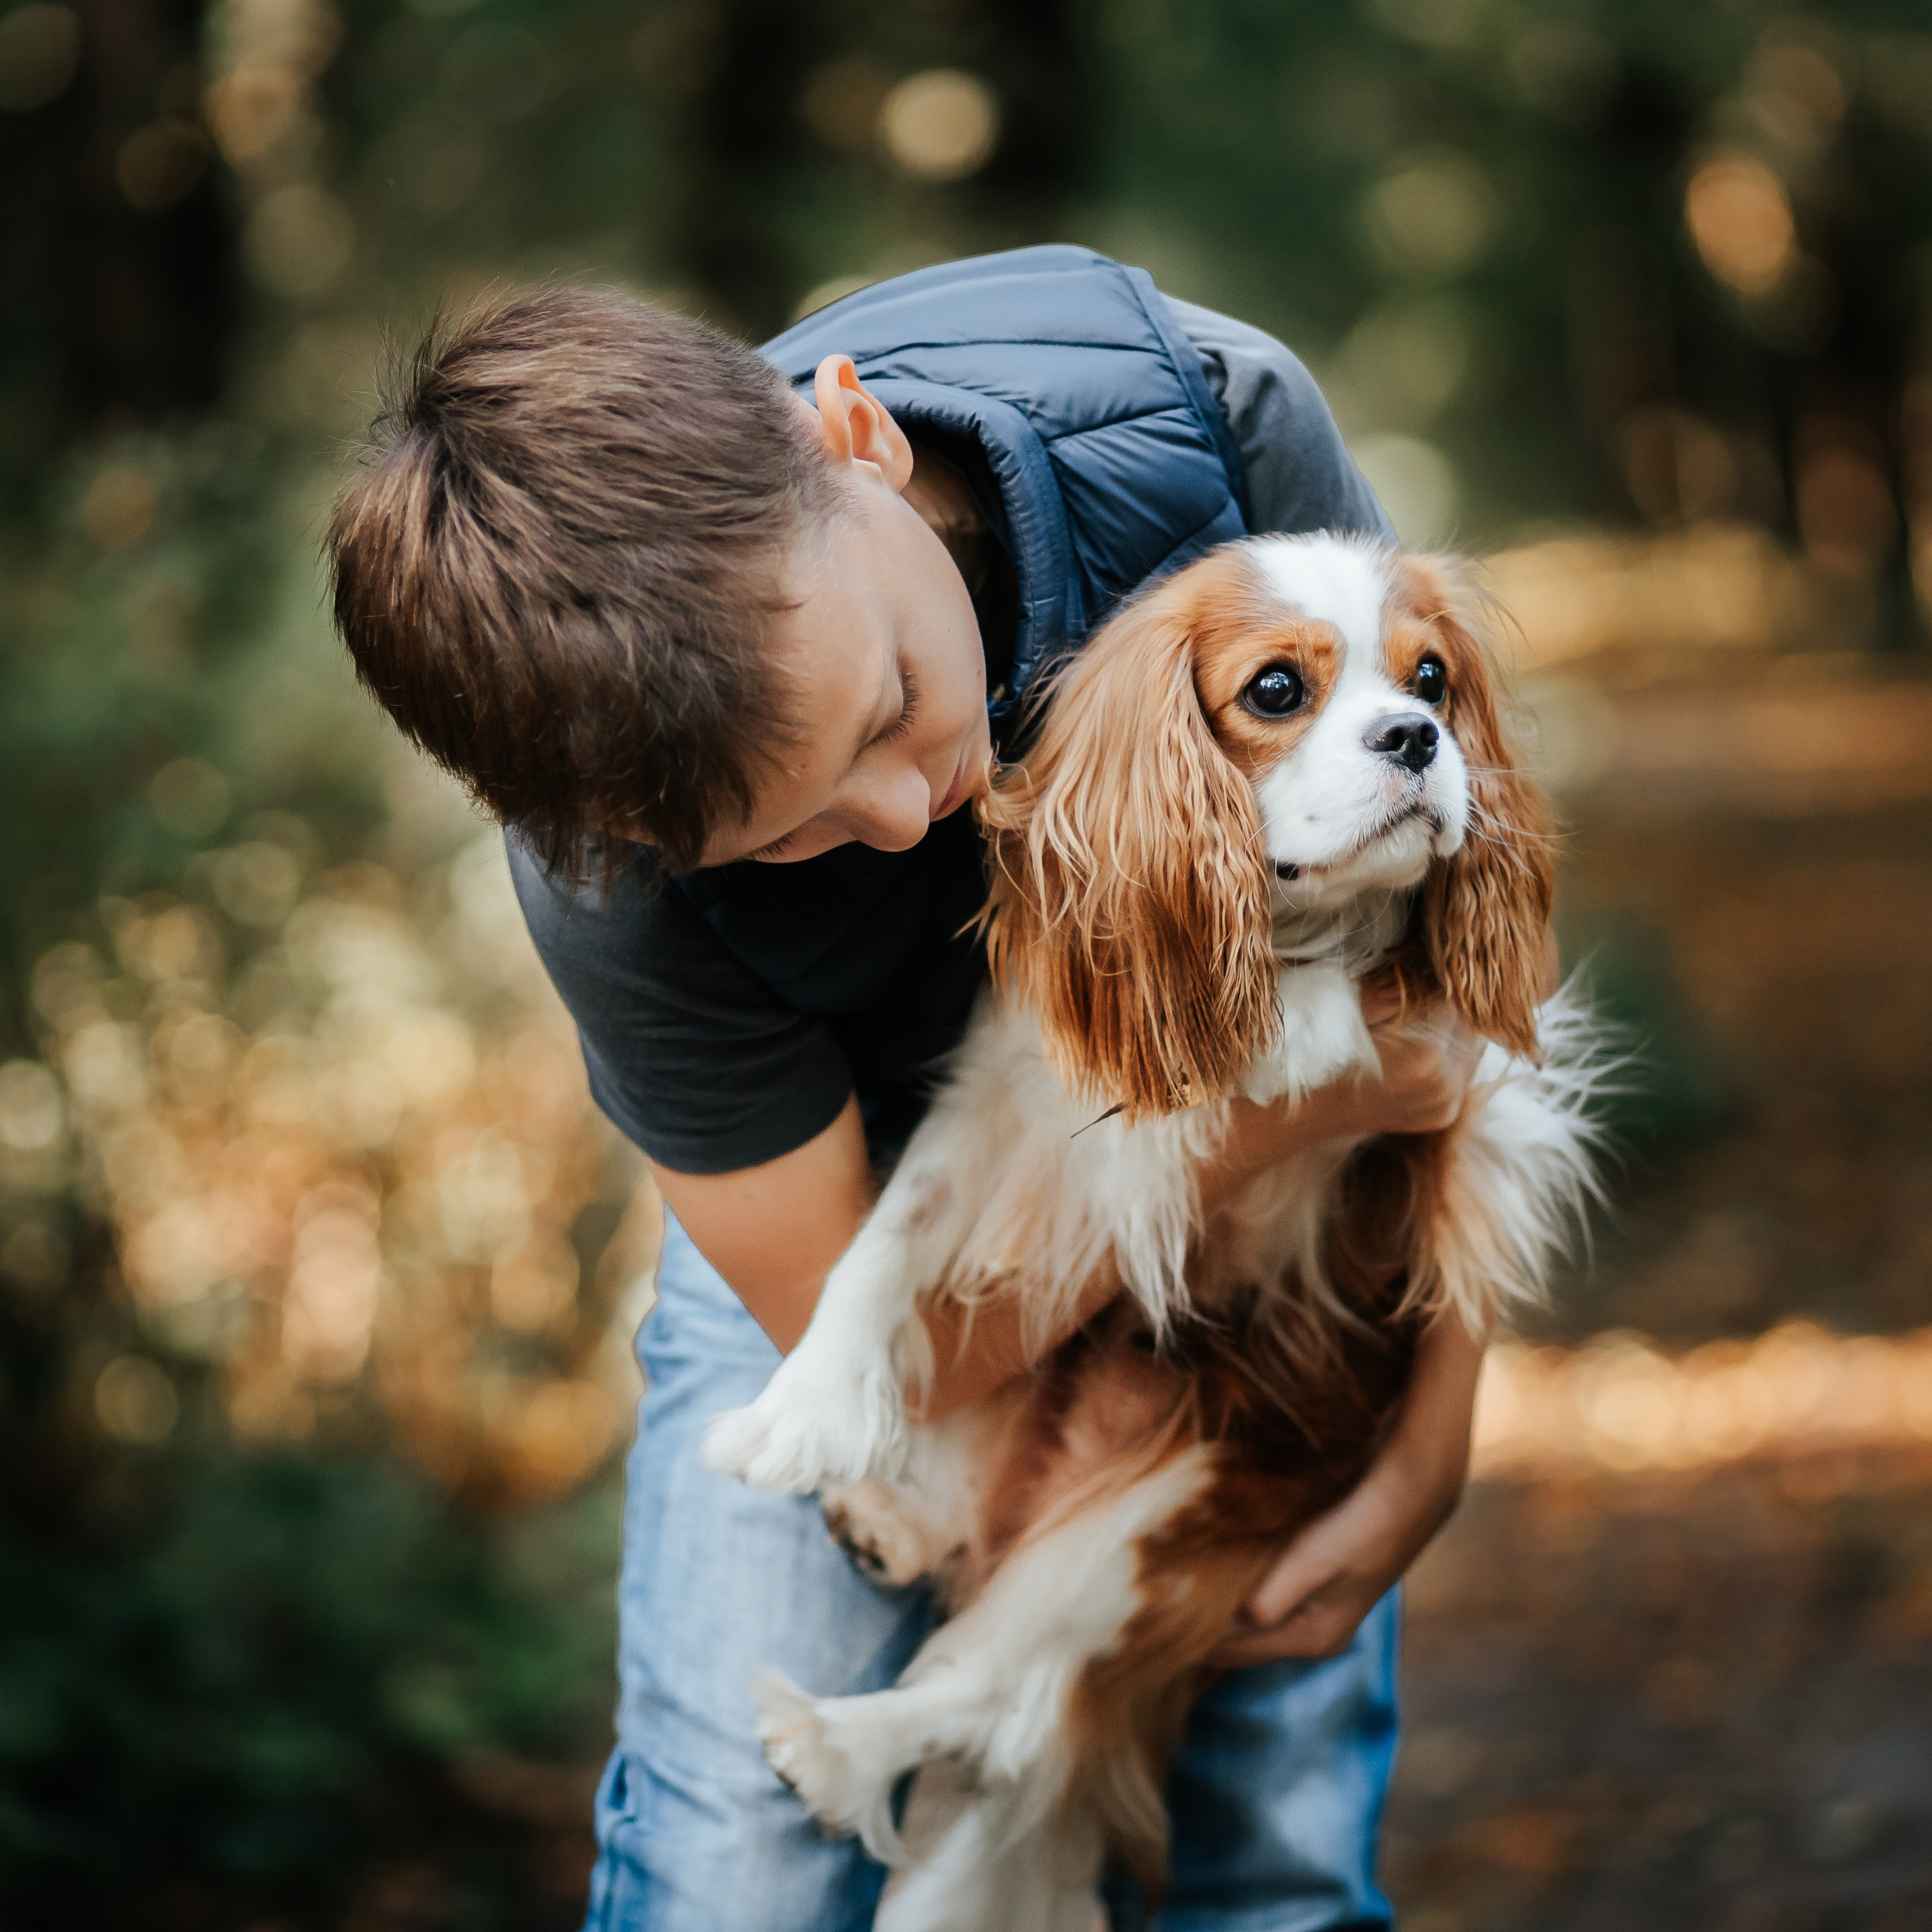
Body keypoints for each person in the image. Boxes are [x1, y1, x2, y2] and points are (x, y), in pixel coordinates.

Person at [327, 247, 1491, 1932]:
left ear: (851, 435)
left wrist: (1427, 1440)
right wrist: (1289, 1118)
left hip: (1300, 1219)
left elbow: (1452, 985)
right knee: (737, 1855)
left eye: (890, 707)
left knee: (1266, 1840)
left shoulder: (1205, 422)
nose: (896, 817)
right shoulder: (606, 869)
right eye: (786, 836)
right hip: (877, 1235)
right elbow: (882, 1351)